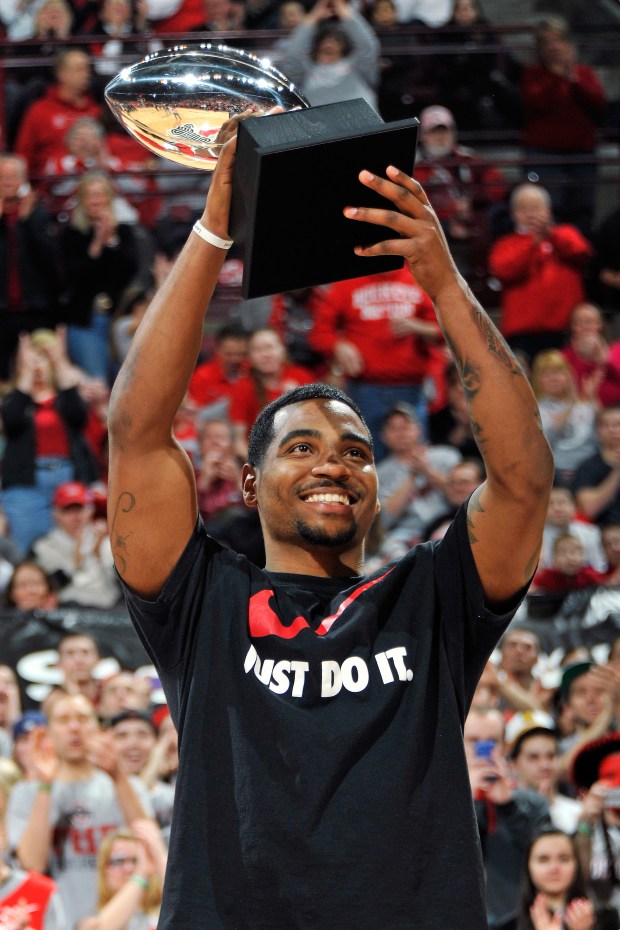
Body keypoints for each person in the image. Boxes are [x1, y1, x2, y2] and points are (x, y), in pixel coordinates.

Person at [104, 108, 554, 928]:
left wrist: (443, 282)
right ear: (247, 482)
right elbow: (136, 430)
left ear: (378, 489)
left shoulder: (432, 596)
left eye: (355, 452)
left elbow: (524, 482)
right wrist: (214, 230)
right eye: (301, 448)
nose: (332, 466)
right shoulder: (203, 599)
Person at [6, 692, 153, 929]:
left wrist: (118, 776)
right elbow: (32, 865)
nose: (74, 727)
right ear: (48, 732)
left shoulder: (128, 785)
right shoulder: (27, 793)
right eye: (64, 720)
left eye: (83, 719)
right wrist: (45, 785)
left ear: (98, 728)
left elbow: (149, 845)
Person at [308, 264, 442, 455]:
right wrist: (338, 346)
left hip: (411, 387)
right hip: (364, 389)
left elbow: (448, 332)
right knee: (366, 456)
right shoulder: (346, 283)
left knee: (414, 459)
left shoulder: (420, 276)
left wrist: (418, 326)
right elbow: (319, 333)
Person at [0, 327, 100, 554]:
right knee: (29, 551)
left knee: (76, 550)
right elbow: (11, 420)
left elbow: (79, 416)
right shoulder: (15, 399)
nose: (37, 366)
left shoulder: (66, 398)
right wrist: (24, 375)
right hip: (26, 487)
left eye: (43, 359)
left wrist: (61, 361)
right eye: (31, 360)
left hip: (68, 481)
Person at [464, 706, 551, 930]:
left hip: (519, 921)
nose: (483, 750)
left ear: (504, 747)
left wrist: (508, 806)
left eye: (492, 742)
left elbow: (546, 859)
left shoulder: (533, 803)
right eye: (473, 741)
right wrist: (464, 801)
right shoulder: (438, 801)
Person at [520, 15, 607, 237]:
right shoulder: (534, 75)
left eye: (557, 40)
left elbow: (598, 102)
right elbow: (537, 102)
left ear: (568, 42)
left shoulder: (583, 73)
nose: (553, 46)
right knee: (549, 211)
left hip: (581, 153)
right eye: (547, 41)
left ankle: (580, 261)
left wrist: (572, 77)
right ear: (539, 47)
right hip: (544, 154)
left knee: (582, 211)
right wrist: (559, 77)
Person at [488, 183, 592, 361]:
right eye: (523, 209)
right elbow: (503, 270)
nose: (530, 214)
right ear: (514, 214)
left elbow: (582, 252)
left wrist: (551, 234)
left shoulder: (565, 233)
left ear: (548, 210)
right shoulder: (505, 244)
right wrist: (532, 242)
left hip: (566, 329)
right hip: (523, 333)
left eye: (536, 208)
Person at [413, 104, 509, 297]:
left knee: (496, 217)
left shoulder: (467, 157)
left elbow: (497, 185)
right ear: (423, 135)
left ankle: (486, 279)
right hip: (435, 221)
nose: (440, 137)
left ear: (453, 133)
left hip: (471, 218)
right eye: (433, 132)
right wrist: (449, 220)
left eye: (444, 131)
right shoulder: (415, 163)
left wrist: (473, 201)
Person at [60, 171, 142, 382]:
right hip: (86, 321)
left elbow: (131, 270)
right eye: (90, 195)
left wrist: (112, 241)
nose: (96, 200)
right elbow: (75, 278)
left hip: (119, 320)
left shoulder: (124, 232)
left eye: (100, 195)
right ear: (81, 201)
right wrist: (97, 244)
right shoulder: (71, 235)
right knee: (97, 384)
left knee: (127, 385)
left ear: (109, 198)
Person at [0, 153, 63, 381]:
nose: (7, 182)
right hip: (2, 314)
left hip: (35, 310)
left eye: (12, 176)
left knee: (42, 374)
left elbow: (49, 262)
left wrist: (26, 224)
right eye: (2, 177)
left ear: (23, 180)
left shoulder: (37, 214)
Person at [30, 480, 121, 609]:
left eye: (79, 509)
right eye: (67, 511)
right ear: (55, 514)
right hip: (70, 610)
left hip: (111, 609)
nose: (75, 517)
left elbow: (120, 585)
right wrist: (77, 555)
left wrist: (98, 554)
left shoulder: (107, 541)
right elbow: (58, 585)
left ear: (90, 511)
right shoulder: (43, 547)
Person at [14, 49, 102, 181]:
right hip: (51, 189)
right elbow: (23, 155)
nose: (87, 74)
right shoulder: (40, 111)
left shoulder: (97, 111)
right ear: (62, 74)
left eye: (88, 69)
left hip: (94, 186)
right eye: (79, 69)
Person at [229, 326, 313, 460]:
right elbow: (238, 441)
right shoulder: (244, 386)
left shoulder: (301, 377)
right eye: (258, 350)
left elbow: (316, 426)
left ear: (282, 350)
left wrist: (298, 401)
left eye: (269, 347)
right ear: (249, 356)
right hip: (261, 458)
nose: (265, 354)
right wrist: (261, 468)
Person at [280, 0, 380, 112]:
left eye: (336, 41)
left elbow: (367, 47)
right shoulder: (304, 73)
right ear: (316, 47)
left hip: (365, 126)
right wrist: (314, 16)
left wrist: (342, 8)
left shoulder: (357, 68)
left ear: (343, 48)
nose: (329, 45)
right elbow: (293, 56)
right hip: (319, 126)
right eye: (324, 41)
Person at [516, 826, 614, 930]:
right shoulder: (509, 926)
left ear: (577, 864)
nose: (554, 868)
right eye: (543, 860)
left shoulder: (606, 918)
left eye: (564, 859)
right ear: (528, 866)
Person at [77, 821, 166, 930]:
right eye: (119, 861)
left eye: (135, 860)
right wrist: (141, 875)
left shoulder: (164, 911)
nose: (129, 868)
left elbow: (186, 903)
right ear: (104, 869)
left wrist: (160, 854)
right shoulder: (91, 919)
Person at [506, 712, 582, 834]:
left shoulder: (579, 813)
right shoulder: (500, 816)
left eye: (551, 756)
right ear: (512, 765)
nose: (544, 765)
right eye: (533, 757)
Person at [531, 349, 597, 487]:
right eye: (546, 374)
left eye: (558, 372)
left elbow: (599, 437)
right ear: (538, 380)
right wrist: (571, 402)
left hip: (587, 470)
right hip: (554, 474)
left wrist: (593, 401)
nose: (553, 378)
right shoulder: (534, 409)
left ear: (569, 376)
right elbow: (548, 438)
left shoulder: (585, 406)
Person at [562, 303, 620, 409]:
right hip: (580, 411)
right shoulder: (564, 357)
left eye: (589, 322)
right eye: (578, 323)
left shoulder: (617, 349)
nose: (584, 327)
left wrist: (605, 362)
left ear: (599, 325)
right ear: (572, 327)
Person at [187, 322, 248, 417]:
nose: (235, 359)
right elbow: (195, 413)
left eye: (242, 354)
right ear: (217, 349)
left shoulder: (254, 372)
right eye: (229, 354)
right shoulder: (202, 376)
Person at [573, 406, 620, 527]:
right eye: (606, 425)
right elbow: (590, 509)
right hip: (602, 533)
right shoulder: (588, 466)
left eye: (617, 424)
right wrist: (617, 471)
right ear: (598, 430)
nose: (612, 429)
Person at [540, 486, 605, 573]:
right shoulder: (536, 538)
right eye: (551, 504)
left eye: (562, 502)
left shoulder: (591, 532)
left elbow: (599, 566)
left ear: (574, 507)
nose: (557, 508)